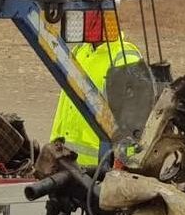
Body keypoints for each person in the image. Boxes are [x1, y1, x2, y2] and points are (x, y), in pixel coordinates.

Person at [50, 33, 143, 167]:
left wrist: (124, 163)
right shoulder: (78, 51)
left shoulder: (126, 59)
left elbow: (135, 121)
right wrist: (53, 146)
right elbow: (65, 107)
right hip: (64, 163)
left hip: (99, 170)